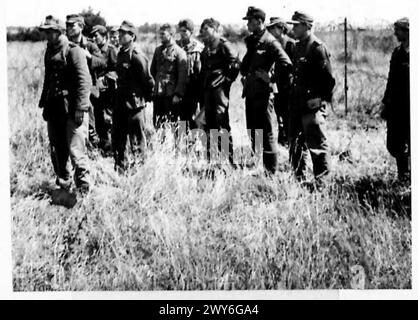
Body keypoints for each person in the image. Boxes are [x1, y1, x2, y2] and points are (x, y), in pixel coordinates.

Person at [38, 15, 92, 193]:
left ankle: (84, 189)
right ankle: (64, 185)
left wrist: (81, 108)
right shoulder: (50, 50)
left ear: (57, 31)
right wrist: (44, 103)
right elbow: (48, 79)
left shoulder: (73, 50)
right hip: (54, 109)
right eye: (45, 31)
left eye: (49, 31)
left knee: (76, 151)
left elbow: (84, 81)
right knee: (57, 149)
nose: (46, 35)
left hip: (72, 109)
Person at [240, 7, 293, 174]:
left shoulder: (270, 42)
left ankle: (271, 171)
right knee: (253, 129)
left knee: (267, 132)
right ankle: (257, 164)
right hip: (251, 92)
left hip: (264, 94)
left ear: (260, 22)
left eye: (250, 20)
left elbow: (286, 63)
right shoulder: (252, 40)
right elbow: (247, 63)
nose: (247, 23)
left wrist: (271, 78)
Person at [287, 11, 335, 187]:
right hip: (296, 104)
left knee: (316, 145)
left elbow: (328, 80)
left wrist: (320, 99)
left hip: (311, 106)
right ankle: (299, 179)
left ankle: (321, 184)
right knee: (295, 144)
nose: (293, 28)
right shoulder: (296, 47)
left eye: (296, 25)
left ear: (307, 26)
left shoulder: (317, 47)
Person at [112, 20, 154, 171]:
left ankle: (140, 172)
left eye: (123, 33)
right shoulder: (121, 53)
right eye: (120, 33)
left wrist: (143, 99)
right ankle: (120, 170)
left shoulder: (137, 55)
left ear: (132, 36)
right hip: (120, 103)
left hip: (134, 105)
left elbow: (148, 81)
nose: (120, 36)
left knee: (136, 141)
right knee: (118, 138)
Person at [200, 18, 240, 165]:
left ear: (216, 30)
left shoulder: (224, 46)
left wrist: (227, 81)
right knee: (208, 124)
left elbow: (235, 64)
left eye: (207, 30)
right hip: (208, 91)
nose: (204, 32)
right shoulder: (206, 48)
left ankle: (227, 160)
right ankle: (212, 159)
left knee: (221, 122)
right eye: (202, 30)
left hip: (219, 92)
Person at [66, 14, 107, 148]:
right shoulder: (65, 45)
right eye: (67, 25)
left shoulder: (89, 45)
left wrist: (89, 57)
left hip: (89, 90)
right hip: (71, 91)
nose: (69, 28)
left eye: (72, 25)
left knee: (91, 124)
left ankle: (94, 150)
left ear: (81, 26)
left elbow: (103, 62)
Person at [381, 18, 410, 181]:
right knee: (395, 142)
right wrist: (386, 102)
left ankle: (407, 176)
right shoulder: (397, 53)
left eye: (398, 30)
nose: (395, 33)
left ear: (407, 31)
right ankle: (403, 174)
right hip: (397, 106)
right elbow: (391, 80)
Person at [150, 23, 188, 128]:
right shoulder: (158, 51)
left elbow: (182, 76)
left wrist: (178, 94)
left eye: (163, 34)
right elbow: (153, 71)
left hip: (171, 94)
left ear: (171, 34)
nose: (160, 36)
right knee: (157, 122)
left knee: (172, 122)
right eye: (160, 34)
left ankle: (172, 144)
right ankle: (160, 143)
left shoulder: (179, 52)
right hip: (158, 93)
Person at [266, 16, 296, 145]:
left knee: (289, 115)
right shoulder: (273, 45)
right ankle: (282, 139)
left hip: (289, 86)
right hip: (276, 85)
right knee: (279, 115)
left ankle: (291, 141)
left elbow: (293, 67)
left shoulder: (290, 44)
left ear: (281, 28)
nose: (270, 31)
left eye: (273, 28)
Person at [90, 25, 118, 155]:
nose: (94, 38)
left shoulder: (111, 50)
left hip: (108, 92)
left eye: (97, 36)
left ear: (104, 36)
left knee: (109, 120)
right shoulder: (92, 50)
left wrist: (105, 78)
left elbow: (117, 71)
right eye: (93, 36)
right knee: (98, 119)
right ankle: (104, 147)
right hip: (96, 91)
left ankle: (113, 148)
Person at [176, 19, 204, 131]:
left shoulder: (199, 48)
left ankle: (196, 144)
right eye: (180, 31)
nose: (182, 34)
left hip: (195, 87)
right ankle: (184, 145)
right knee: (182, 118)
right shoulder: (176, 46)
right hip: (180, 87)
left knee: (197, 117)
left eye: (185, 31)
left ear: (191, 32)